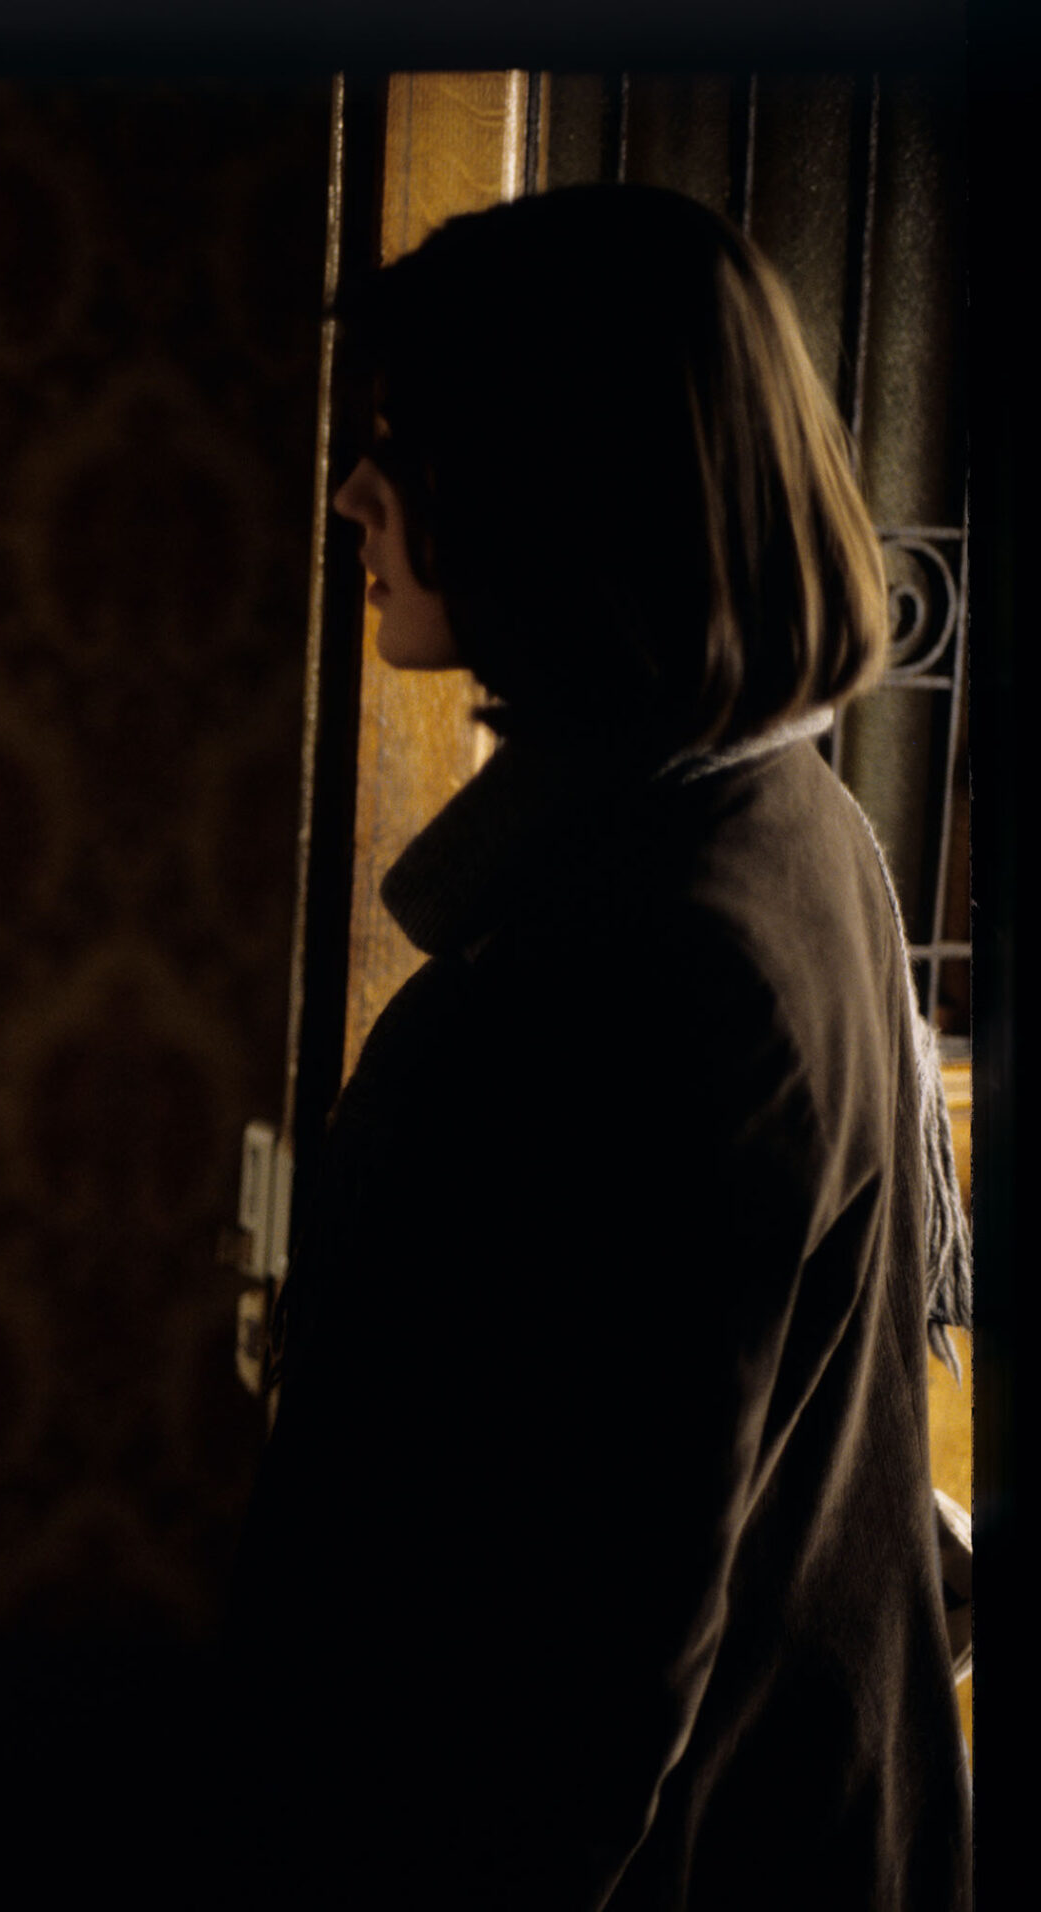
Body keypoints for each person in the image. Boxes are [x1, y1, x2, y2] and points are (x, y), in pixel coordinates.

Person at [224, 184, 971, 1908]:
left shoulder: (659, 962)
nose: (353, 492)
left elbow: (569, 1681)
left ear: (563, 480)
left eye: (406, 445)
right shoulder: (774, 823)